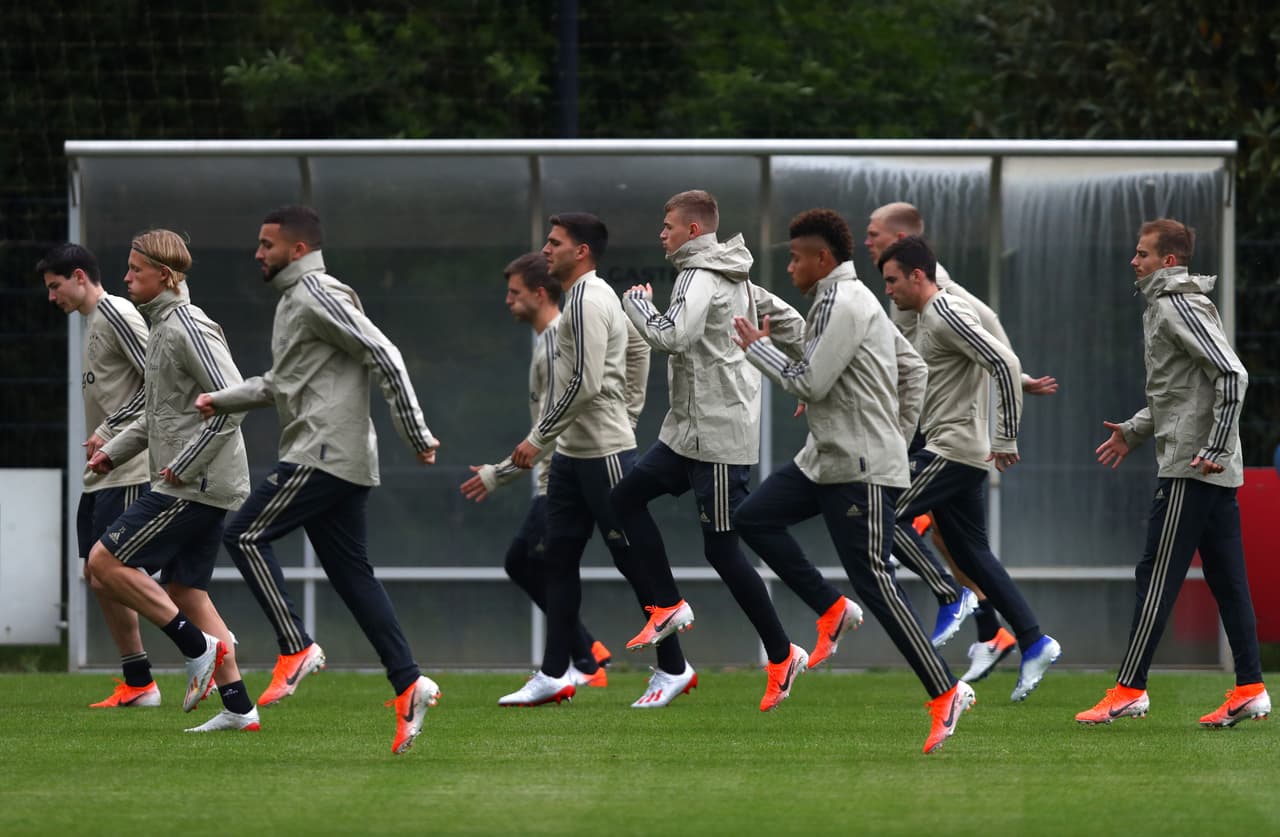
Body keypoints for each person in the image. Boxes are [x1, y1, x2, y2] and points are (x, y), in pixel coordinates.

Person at [197, 205, 441, 754]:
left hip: (322, 453)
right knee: (353, 576)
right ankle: (408, 683)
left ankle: (296, 646)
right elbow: (279, 384)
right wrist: (220, 399)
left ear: (298, 249)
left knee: (244, 534)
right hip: (339, 458)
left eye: (267, 244)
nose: (258, 253)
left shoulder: (316, 293)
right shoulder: (293, 302)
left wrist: (416, 432)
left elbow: (384, 353)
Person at [731, 209, 973, 753]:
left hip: (859, 468)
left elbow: (811, 383)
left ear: (822, 259)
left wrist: (757, 348)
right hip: (826, 459)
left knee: (875, 582)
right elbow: (912, 369)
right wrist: (893, 433)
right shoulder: (842, 299)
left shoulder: (845, 301)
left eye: (796, 258)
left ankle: (946, 690)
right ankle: (832, 608)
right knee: (753, 517)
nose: (790, 267)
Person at [614, 189, 818, 712]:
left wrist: (636, 303)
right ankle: (667, 604)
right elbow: (790, 322)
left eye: (668, 226)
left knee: (722, 549)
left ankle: (781, 654)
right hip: (687, 432)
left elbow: (672, 336)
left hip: (720, 438)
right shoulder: (731, 274)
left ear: (693, 231)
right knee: (623, 501)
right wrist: (808, 372)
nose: (661, 234)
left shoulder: (699, 275)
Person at [1076, 218, 1269, 727]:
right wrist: (1134, 431)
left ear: (1167, 261)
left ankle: (1129, 689)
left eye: (1142, 254)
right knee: (1228, 581)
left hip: (1193, 467)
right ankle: (1250, 687)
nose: (1133, 261)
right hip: (1206, 465)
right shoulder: (1168, 304)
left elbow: (1232, 374)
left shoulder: (1175, 304)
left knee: (1155, 576)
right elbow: (1181, 393)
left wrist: (1215, 445)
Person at [866, 201, 1058, 679]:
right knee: (972, 553)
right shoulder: (921, 307)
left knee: (877, 513)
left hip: (950, 448)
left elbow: (997, 352)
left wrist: (1007, 434)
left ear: (912, 267)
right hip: (954, 447)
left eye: (873, 235)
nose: (886, 288)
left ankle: (952, 596)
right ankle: (1032, 640)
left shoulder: (942, 306)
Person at [85, 229, 258, 733]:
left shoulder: (188, 325)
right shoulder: (161, 325)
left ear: (164, 275)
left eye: (134, 270)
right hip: (195, 481)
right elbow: (158, 415)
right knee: (185, 590)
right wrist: (113, 452)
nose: (125, 277)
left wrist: (185, 464)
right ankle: (239, 707)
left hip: (192, 484)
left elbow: (233, 403)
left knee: (103, 562)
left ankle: (196, 647)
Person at [495, 212, 657, 707]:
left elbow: (585, 384)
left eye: (555, 242)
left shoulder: (588, 298)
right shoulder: (580, 299)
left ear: (581, 251)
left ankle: (673, 665)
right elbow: (630, 353)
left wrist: (536, 441)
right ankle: (559, 670)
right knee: (556, 562)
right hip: (571, 454)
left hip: (600, 452)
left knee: (632, 560)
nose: (546, 249)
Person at [459, 252, 612, 687]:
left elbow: (550, 424)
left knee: (534, 563)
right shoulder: (547, 342)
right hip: (556, 476)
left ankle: (588, 660)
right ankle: (588, 654)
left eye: (515, 293)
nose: (508, 300)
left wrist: (498, 473)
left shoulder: (558, 342)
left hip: (563, 477)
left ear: (540, 294)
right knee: (532, 563)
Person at [39, 243, 159, 708]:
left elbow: (159, 381)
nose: (52, 297)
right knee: (97, 573)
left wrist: (111, 430)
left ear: (79, 277)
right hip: (102, 470)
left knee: (114, 569)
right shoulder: (92, 322)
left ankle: (205, 644)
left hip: (128, 465)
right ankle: (139, 681)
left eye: (55, 287)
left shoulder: (117, 313)